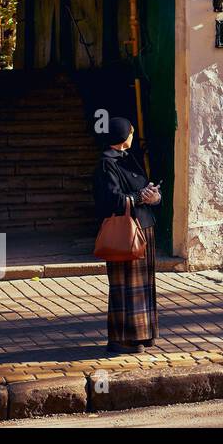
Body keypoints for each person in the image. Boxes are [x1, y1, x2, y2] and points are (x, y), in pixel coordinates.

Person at [93, 117, 162, 354]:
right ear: (123, 135)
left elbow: (142, 189)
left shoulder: (129, 159)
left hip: (144, 228)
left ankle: (143, 334)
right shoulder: (106, 163)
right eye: (131, 132)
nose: (133, 135)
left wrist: (154, 196)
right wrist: (139, 197)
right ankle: (122, 339)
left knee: (143, 286)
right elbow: (112, 199)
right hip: (125, 232)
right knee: (124, 287)